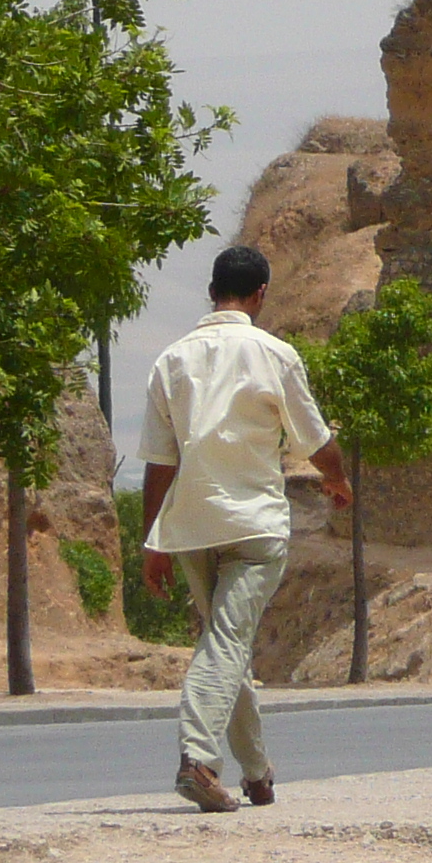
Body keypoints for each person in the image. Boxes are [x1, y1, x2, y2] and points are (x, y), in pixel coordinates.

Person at [138, 246, 350, 813]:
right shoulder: (274, 354)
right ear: (260, 295)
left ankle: (256, 773)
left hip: (191, 526)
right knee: (228, 641)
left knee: (224, 641)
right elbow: (317, 441)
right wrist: (338, 479)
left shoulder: (170, 361)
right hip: (254, 523)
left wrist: (152, 541)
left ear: (212, 292)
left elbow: (159, 465)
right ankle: (198, 760)